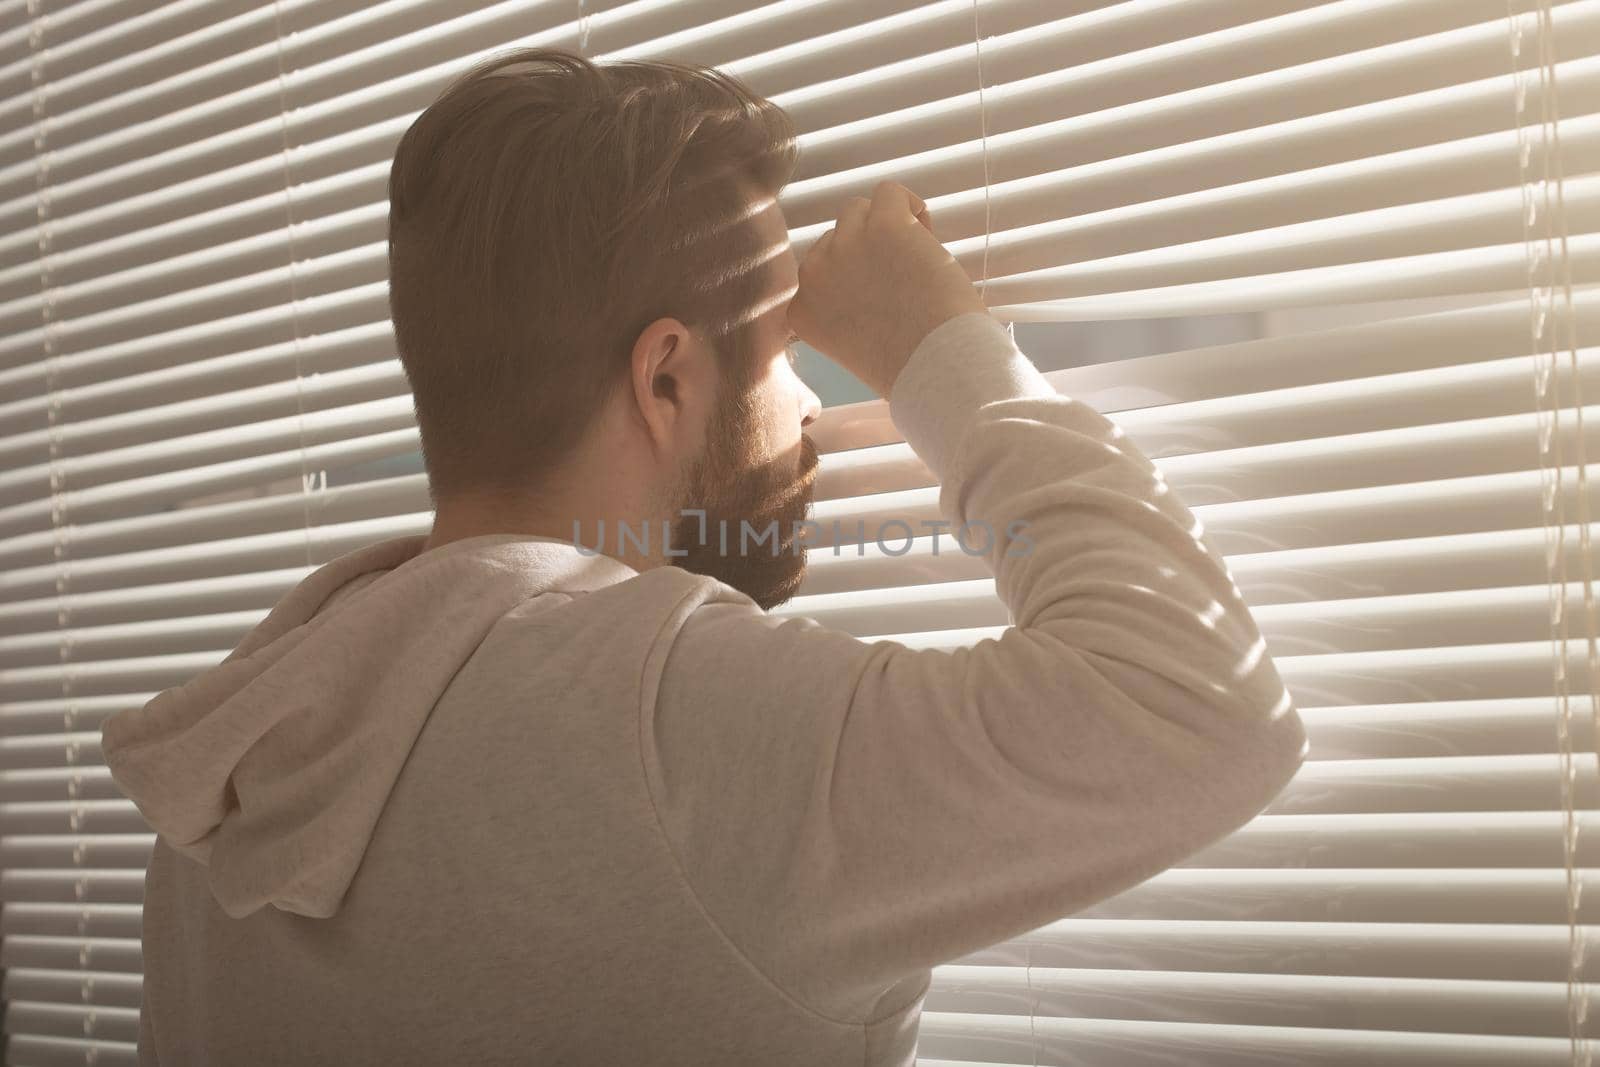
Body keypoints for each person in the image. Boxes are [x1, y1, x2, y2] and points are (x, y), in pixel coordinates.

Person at [101, 46, 1307, 1066]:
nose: (815, 416)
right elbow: (1201, 708)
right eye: (785, 354)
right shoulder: (675, 727)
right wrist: (939, 345)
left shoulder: (226, 775)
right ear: (666, 375)